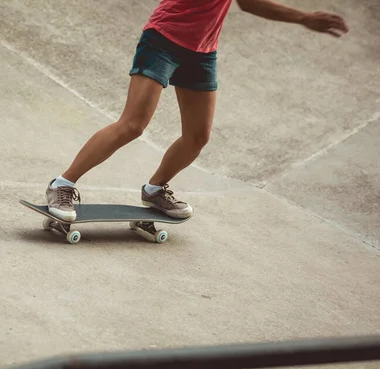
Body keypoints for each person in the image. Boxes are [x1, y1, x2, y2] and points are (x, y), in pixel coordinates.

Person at [45, 0, 349, 222]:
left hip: (202, 52)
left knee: (197, 137)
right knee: (133, 125)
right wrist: (304, 17)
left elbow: (246, 3)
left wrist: (304, 19)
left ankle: (154, 190)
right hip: (163, 40)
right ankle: (62, 184)